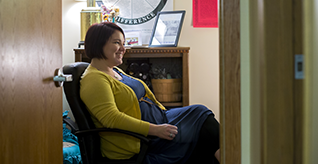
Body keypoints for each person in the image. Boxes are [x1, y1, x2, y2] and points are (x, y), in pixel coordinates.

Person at [80, 22, 220, 164]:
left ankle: (229, 157)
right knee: (203, 130)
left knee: (201, 116)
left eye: (124, 43)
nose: (123, 48)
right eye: (117, 43)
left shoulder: (113, 70)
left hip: (160, 119)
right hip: (144, 137)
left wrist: (161, 115)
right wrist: (156, 130)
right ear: (98, 44)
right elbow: (111, 118)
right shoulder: (94, 79)